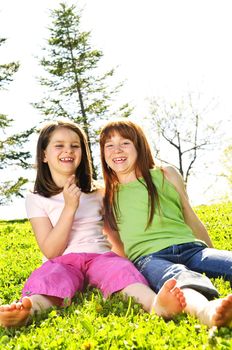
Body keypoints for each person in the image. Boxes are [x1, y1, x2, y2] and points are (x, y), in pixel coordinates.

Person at [0, 120, 186, 328]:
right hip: (63, 261)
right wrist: (69, 208)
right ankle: (27, 310)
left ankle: (155, 305)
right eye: (59, 145)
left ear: (83, 152)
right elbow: (51, 251)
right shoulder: (36, 198)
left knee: (121, 272)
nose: (68, 150)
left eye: (75, 145)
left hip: (100, 256)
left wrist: (128, 261)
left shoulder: (99, 191)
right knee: (51, 279)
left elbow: (112, 233)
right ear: (44, 155)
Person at [99, 119, 232, 328]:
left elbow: (190, 216)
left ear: (139, 146)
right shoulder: (105, 196)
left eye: (125, 142)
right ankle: (208, 310)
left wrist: (213, 255)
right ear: (103, 154)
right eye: (109, 145)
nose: (117, 150)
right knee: (176, 279)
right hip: (149, 258)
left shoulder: (165, 174)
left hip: (192, 249)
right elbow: (116, 243)